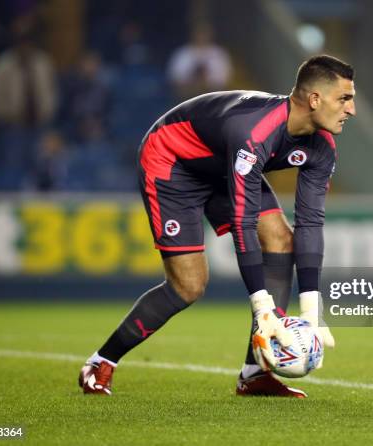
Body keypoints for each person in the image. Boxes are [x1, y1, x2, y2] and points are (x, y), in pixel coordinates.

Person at [79, 55, 356, 397]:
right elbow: (243, 222)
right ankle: (101, 361)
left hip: (223, 165)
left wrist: (312, 310)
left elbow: (311, 223)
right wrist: (262, 306)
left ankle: (255, 373)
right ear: (315, 99)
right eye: (345, 98)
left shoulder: (323, 146)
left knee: (281, 240)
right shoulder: (255, 133)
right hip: (172, 161)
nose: (352, 109)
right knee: (189, 285)